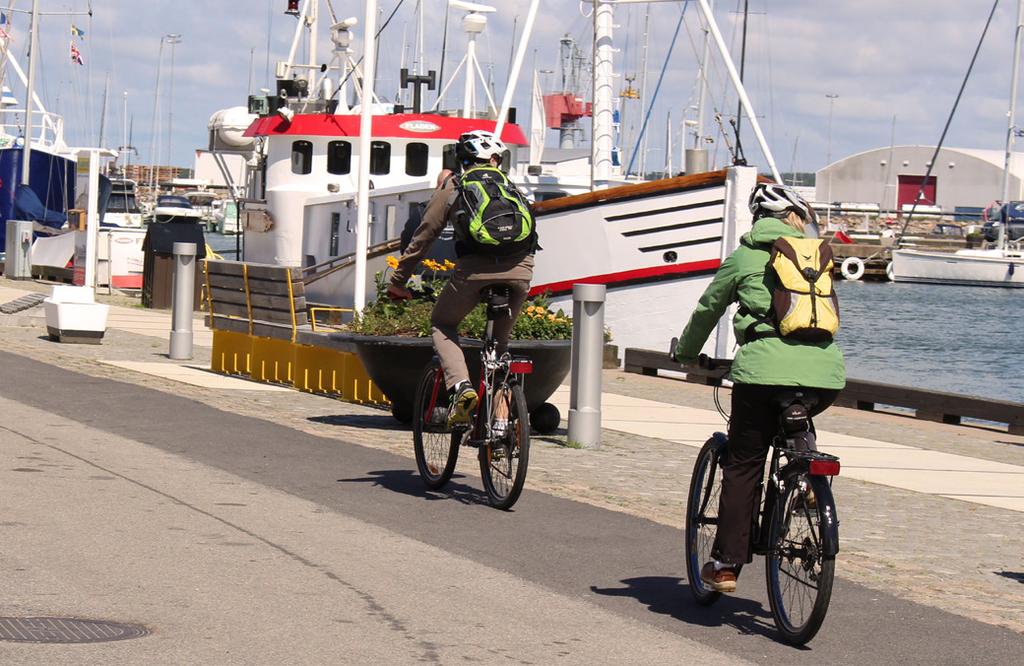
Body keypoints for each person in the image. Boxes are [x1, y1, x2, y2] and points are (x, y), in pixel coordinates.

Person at [673, 182, 845, 594]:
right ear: (797, 218)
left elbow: (708, 307)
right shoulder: (815, 257)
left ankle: (726, 564)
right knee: (796, 411)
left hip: (762, 374)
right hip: (826, 375)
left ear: (758, 220)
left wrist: (686, 354)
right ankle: (804, 474)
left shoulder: (745, 256)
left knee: (744, 462)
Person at [387, 130, 537, 426]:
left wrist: (398, 282)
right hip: (521, 271)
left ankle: (462, 388)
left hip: (474, 273)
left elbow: (423, 238)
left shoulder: (453, 186)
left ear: (462, 159)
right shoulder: (510, 186)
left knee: (442, 325)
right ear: (494, 159)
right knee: (499, 345)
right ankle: (502, 426)